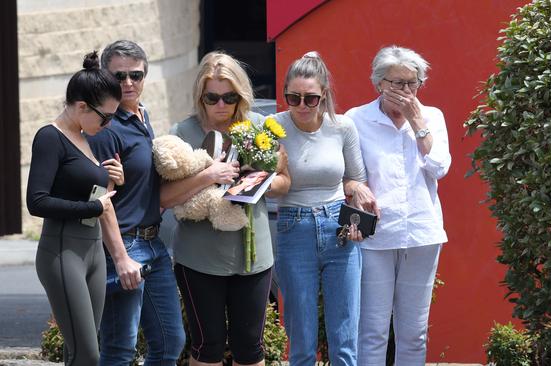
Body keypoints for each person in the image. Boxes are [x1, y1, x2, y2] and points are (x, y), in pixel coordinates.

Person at [160, 51, 290, 366]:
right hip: (198, 258)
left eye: (229, 97)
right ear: (200, 97)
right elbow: (164, 198)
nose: (221, 105)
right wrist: (207, 176)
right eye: (212, 97)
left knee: (250, 349)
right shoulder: (183, 132)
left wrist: (257, 183)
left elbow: (286, 181)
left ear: (240, 94)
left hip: (254, 258)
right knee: (207, 347)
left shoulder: (261, 127)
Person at [26, 51, 142, 366]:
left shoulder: (84, 137)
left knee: (79, 351)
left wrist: (114, 181)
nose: (108, 125)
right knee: (87, 354)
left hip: (92, 253)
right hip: (63, 252)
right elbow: (36, 201)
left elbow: (94, 193)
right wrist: (91, 207)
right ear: (81, 107)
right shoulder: (50, 138)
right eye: (104, 117)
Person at [345, 45, 451, 366]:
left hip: (422, 233)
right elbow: (347, 175)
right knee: (373, 330)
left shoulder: (432, 116)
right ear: (379, 83)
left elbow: (440, 168)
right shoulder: (356, 119)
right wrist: (355, 189)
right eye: (397, 83)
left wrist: (418, 123)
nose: (406, 91)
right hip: (375, 235)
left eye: (412, 83)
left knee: (414, 332)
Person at [86, 40, 185, 366]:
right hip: (123, 248)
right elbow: (99, 198)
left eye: (136, 75)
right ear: (104, 76)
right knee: (119, 349)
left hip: (154, 244)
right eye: (119, 76)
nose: (128, 83)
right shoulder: (105, 127)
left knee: (171, 343)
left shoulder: (142, 115)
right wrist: (120, 257)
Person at [273, 51, 374, 366]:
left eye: (311, 98)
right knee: (301, 339)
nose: (301, 105)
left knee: (344, 338)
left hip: (337, 226)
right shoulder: (272, 126)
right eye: (293, 97)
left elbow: (356, 180)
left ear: (324, 94)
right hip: (293, 226)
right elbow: (259, 180)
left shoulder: (342, 127)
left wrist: (359, 221)